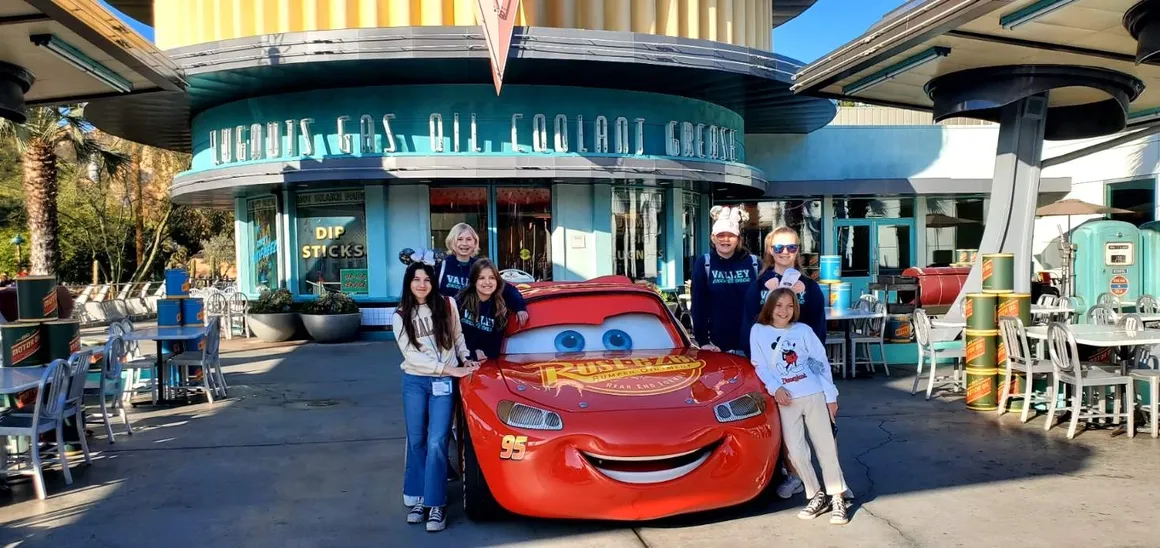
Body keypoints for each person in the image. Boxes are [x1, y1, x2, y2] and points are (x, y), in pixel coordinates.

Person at [741, 227, 830, 500]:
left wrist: (822, 375)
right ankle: (795, 476)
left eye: (791, 247)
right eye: (779, 248)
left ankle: (833, 481)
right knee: (787, 428)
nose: (785, 253)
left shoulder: (810, 286)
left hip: (806, 370)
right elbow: (750, 323)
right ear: (770, 250)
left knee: (824, 426)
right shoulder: (758, 286)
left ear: (797, 250)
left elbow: (817, 329)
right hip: (774, 371)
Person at [750, 288, 851, 525]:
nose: (784, 311)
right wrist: (776, 388)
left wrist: (830, 396)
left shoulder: (803, 331)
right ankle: (815, 493)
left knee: (825, 446)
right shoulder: (758, 331)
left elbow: (820, 363)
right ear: (770, 307)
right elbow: (760, 365)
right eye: (779, 306)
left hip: (813, 393)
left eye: (789, 306)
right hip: (786, 399)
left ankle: (837, 496)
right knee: (795, 451)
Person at [392, 262, 480, 532]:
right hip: (415, 382)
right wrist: (448, 368)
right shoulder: (400, 314)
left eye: (426, 279)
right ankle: (419, 498)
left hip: (443, 382)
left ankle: (436, 503)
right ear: (409, 283)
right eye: (416, 279)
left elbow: (457, 336)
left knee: (437, 441)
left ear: (433, 282)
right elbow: (411, 356)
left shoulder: (447, 305)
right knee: (417, 439)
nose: (421, 284)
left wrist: (464, 359)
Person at [691, 205, 760, 354]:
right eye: (720, 235)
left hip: (753, 344)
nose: (725, 240)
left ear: (738, 239)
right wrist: (703, 341)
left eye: (731, 235)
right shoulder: (704, 263)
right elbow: (699, 304)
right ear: (712, 238)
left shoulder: (754, 263)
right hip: (718, 346)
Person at [437, 223, 530, 327]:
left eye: (468, 239)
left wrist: (520, 308)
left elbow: (506, 288)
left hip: (473, 327)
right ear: (452, 241)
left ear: (475, 242)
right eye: (460, 239)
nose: (464, 243)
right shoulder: (442, 266)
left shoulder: (480, 266)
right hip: (447, 326)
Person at [456, 258, 511, 361]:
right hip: (457, 364)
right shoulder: (460, 302)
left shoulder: (500, 309)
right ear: (474, 280)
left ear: (497, 281)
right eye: (481, 278)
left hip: (483, 366)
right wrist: (472, 352)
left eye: (492, 278)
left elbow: (494, 349)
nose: (487, 282)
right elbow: (450, 338)